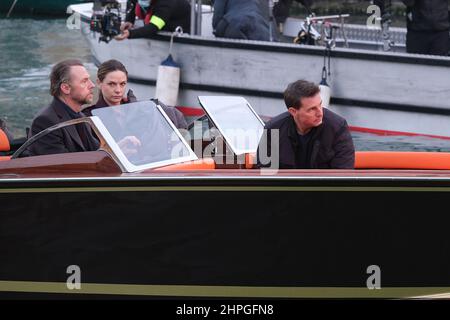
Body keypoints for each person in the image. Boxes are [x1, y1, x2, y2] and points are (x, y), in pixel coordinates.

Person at [256, 79, 355, 169]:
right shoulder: (273, 129)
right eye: (312, 109)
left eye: (320, 104)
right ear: (293, 111)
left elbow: (343, 174)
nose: (320, 113)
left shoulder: (337, 127)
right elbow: (265, 172)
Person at [83, 59, 187, 129]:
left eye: (122, 84)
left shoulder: (141, 108)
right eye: (112, 84)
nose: (118, 90)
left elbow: (176, 116)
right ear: (99, 83)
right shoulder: (90, 118)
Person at [26, 59, 99, 157]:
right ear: (66, 88)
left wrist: (117, 150)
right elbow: (61, 166)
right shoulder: (45, 121)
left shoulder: (81, 116)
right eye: (84, 81)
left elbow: (96, 151)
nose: (92, 85)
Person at [375, 0, 449, 55]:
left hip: (441, 33)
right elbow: (408, 2)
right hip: (417, 33)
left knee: (438, 71)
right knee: (415, 70)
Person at [115, 0, 191, 41]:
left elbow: (153, 27)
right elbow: (135, 5)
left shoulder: (166, 3)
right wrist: (130, 20)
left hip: (177, 34)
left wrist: (130, 33)